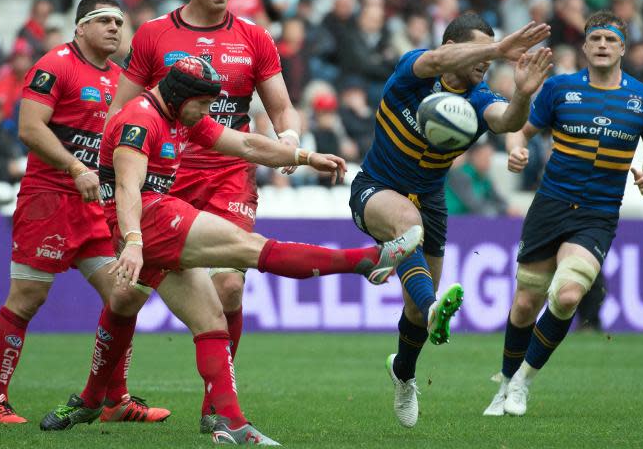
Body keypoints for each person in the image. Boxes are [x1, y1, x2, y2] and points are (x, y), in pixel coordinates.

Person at [39, 56, 422, 443]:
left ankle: (119, 405)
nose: (207, 113)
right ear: (179, 95)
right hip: (150, 219)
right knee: (249, 248)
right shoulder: (140, 120)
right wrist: (135, 242)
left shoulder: (177, 113)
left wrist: (304, 158)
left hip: (149, 222)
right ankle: (366, 261)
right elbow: (127, 188)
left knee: (204, 321)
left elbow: (244, 143)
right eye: (203, 105)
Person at [349, 12, 552, 428]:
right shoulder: (414, 69)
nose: (485, 63)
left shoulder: (479, 99)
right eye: (478, 51)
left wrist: (523, 95)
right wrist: (497, 49)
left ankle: (403, 373)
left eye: (489, 56)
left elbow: (507, 121)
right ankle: (435, 304)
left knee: (415, 312)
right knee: (407, 226)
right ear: (452, 47)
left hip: (430, 202)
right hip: (375, 187)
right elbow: (436, 62)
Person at [0, 0, 170, 425]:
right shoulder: (55, 65)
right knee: (27, 297)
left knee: (124, 295)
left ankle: (115, 399)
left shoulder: (122, 79)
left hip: (95, 206)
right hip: (48, 199)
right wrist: (73, 165)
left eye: (119, 23)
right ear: (80, 27)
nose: (114, 29)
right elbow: (29, 129)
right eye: (104, 21)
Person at [108, 0, 302, 361]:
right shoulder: (154, 34)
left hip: (231, 172)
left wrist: (289, 140)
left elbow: (283, 108)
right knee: (126, 296)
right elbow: (121, 110)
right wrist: (116, 173)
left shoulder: (254, 37)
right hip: (166, 176)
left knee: (230, 286)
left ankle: (218, 402)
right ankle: (107, 397)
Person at [483, 10, 643, 417]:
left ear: (623, 48)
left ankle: (522, 383)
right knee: (524, 305)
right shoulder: (559, 90)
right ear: (585, 46)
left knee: (568, 294)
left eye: (611, 39)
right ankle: (504, 382)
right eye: (596, 38)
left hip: (598, 213)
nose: (603, 45)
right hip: (549, 206)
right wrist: (515, 148)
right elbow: (521, 128)